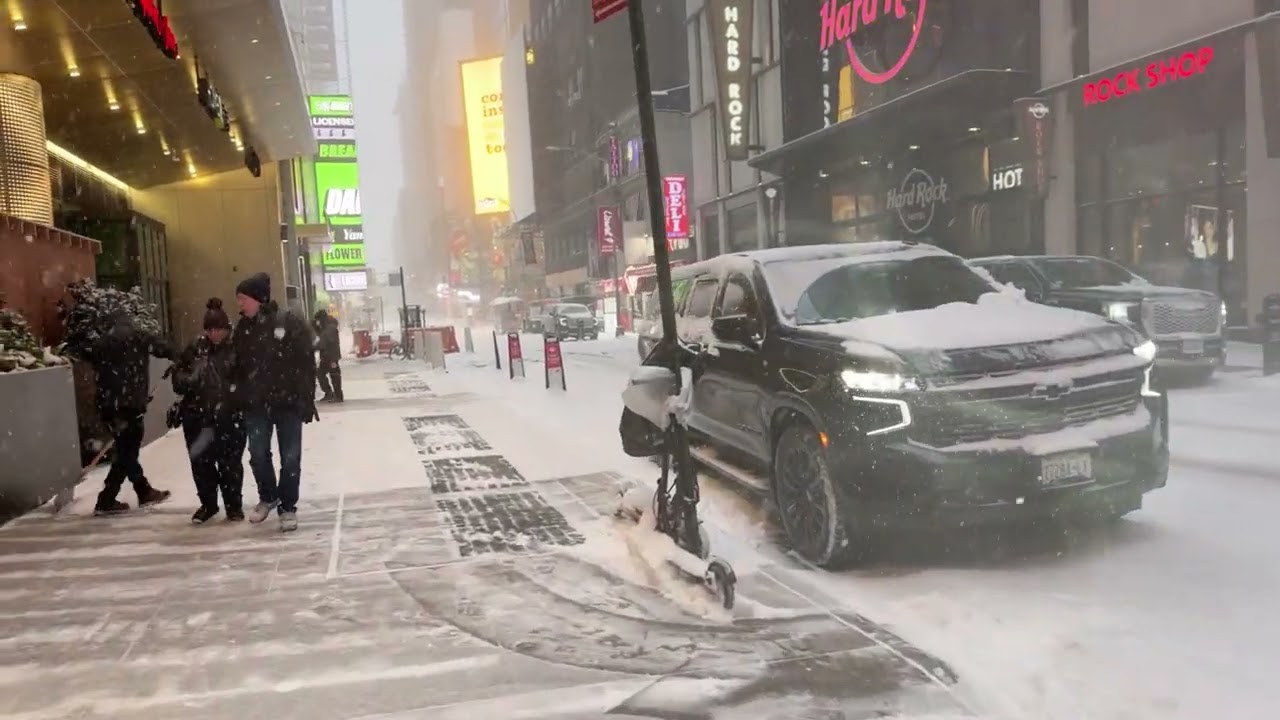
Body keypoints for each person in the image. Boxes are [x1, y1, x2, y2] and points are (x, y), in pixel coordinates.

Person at [230, 272, 317, 532]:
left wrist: (306, 398)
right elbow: (237, 366)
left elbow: (305, 362)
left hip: (288, 403)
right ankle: (268, 496)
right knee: (258, 454)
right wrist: (237, 394)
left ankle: (288, 507)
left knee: (290, 458)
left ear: (258, 299)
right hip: (256, 405)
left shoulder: (288, 323)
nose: (240, 304)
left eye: (243, 299)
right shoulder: (243, 329)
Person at [66, 309, 175, 516]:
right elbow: (166, 349)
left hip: (109, 407)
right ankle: (110, 499)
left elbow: (81, 352)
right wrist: (181, 356)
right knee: (128, 451)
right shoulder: (139, 337)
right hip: (130, 406)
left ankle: (139, 491)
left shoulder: (102, 342)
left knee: (126, 450)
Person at [172, 298, 246, 524]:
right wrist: (190, 379)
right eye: (210, 330)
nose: (215, 334)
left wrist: (234, 399)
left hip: (228, 414)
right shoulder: (196, 348)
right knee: (201, 463)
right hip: (197, 415)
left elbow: (244, 379)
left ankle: (233, 505)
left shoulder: (237, 347)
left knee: (230, 463)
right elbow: (178, 378)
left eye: (219, 329)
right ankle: (208, 503)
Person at [313, 309, 344, 403]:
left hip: (331, 357)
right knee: (321, 373)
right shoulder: (326, 327)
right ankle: (330, 393)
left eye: (318, 320)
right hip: (327, 356)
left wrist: (314, 347)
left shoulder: (330, 328)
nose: (317, 322)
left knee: (334, 375)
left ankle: (337, 395)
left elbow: (324, 342)